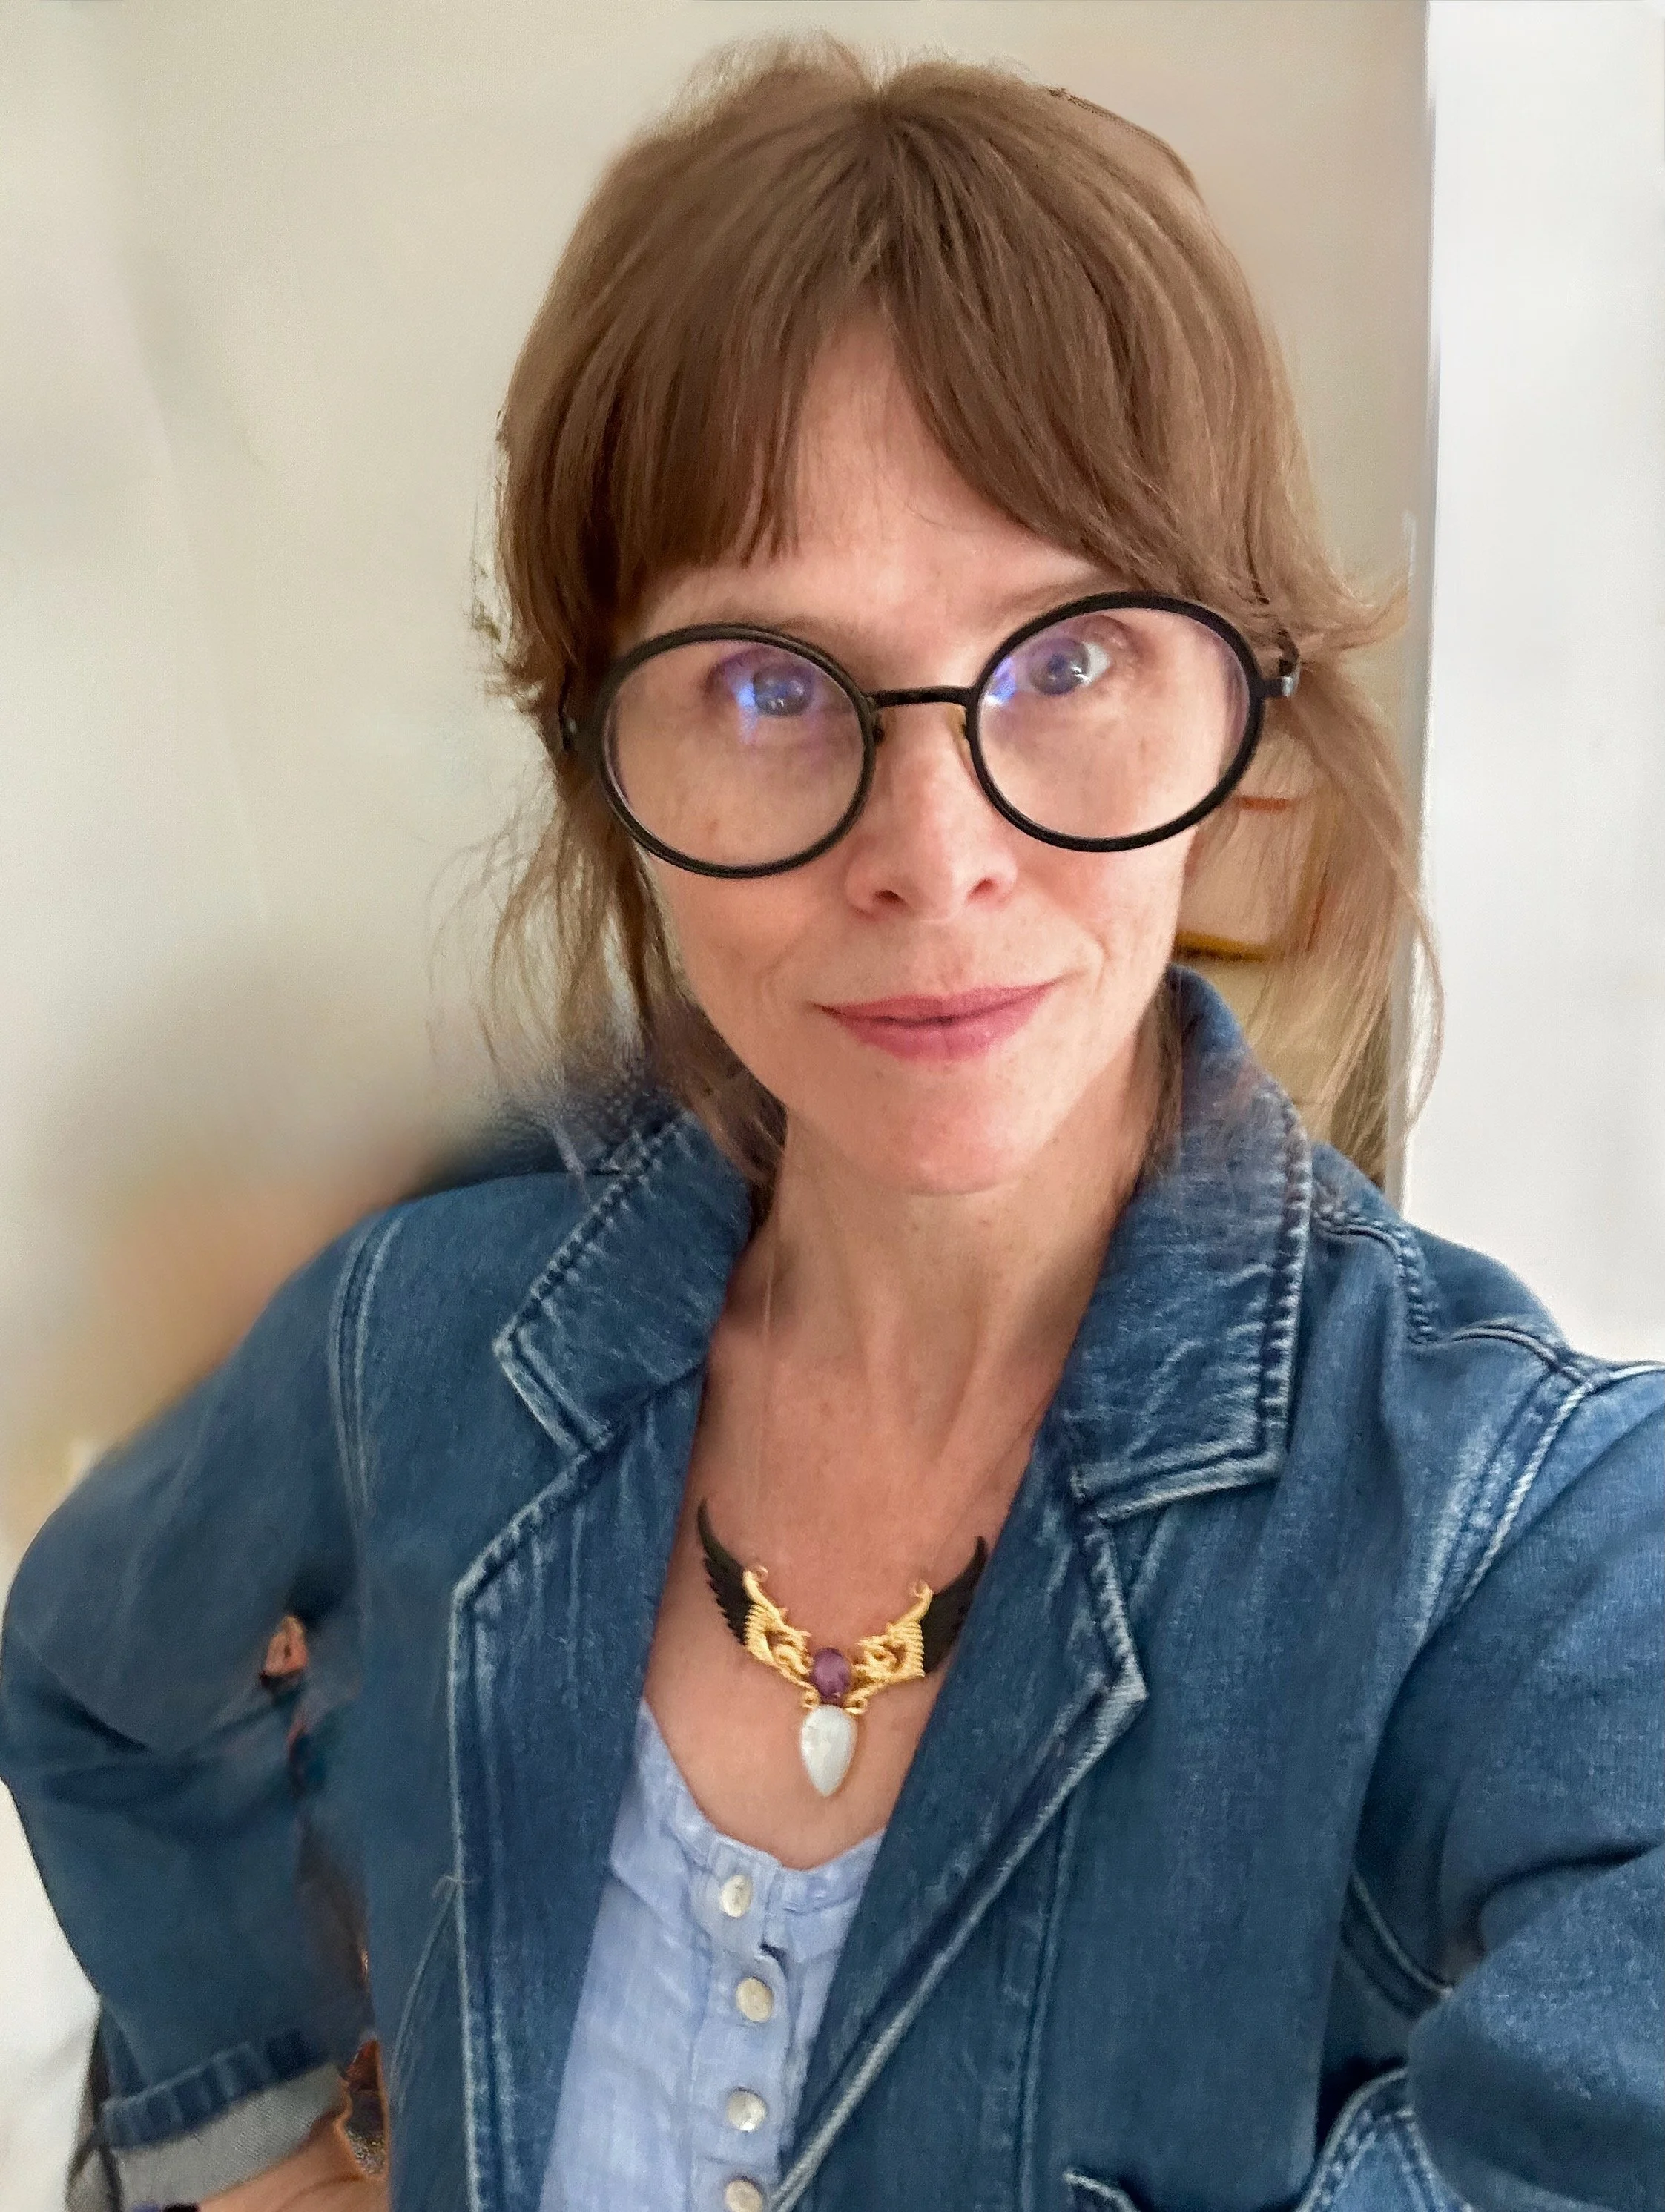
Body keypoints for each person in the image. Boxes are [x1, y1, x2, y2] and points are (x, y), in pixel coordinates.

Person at [2, 38, 1660, 2212]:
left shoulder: (1499, 1527)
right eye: (771, 687)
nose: (933, 852)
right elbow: (102, 1674)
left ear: (1234, 692)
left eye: (1065, 659)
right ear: (604, 746)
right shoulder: (423, 1331)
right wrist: (254, 2133)